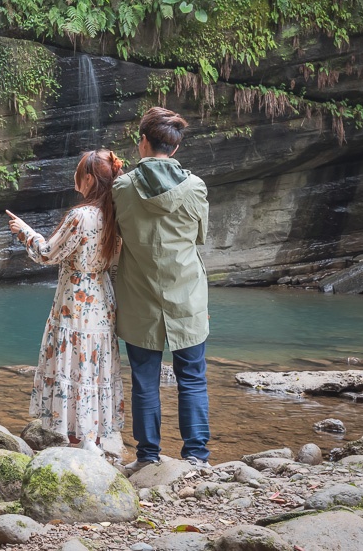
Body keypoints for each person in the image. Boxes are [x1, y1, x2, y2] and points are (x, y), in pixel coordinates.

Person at [6, 149, 125, 455]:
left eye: (78, 173)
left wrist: (24, 232)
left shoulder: (79, 216)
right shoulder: (117, 214)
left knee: (73, 364)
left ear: (88, 178)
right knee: (94, 366)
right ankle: (94, 439)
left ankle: (74, 438)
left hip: (76, 301)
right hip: (102, 298)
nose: (75, 178)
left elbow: (47, 253)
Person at [111, 107, 211, 469]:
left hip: (139, 297)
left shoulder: (121, 187)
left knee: (144, 381)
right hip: (187, 295)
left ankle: (148, 456)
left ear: (142, 142)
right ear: (175, 147)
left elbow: (117, 236)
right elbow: (200, 236)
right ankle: (197, 456)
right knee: (193, 378)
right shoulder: (195, 186)